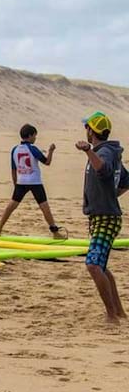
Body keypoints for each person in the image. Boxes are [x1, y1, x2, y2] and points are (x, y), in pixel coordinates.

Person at [76, 112, 129, 324]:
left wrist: (88, 151)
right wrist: (111, 193)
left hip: (107, 218)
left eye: (87, 128)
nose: (85, 131)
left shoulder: (104, 152)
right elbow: (125, 180)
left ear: (92, 131)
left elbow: (104, 170)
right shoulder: (109, 152)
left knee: (93, 265)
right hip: (102, 216)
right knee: (102, 265)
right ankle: (120, 312)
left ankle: (111, 316)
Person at [0, 124, 59, 236]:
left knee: (11, 207)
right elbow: (47, 162)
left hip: (21, 182)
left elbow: (13, 170)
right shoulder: (33, 149)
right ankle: (55, 232)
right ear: (30, 136)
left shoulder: (14, 150)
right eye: (35, 136)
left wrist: (16, 185)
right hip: (35, 182)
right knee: (45, 207)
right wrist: (51, 151)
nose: (35, 138)